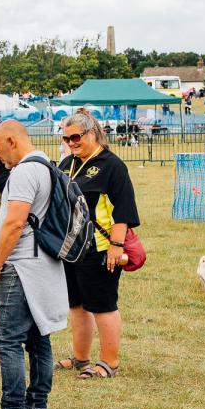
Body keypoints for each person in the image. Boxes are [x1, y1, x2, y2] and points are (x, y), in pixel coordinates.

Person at [0, 120, 67, 409]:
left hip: (21, 264)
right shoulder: (46, 166)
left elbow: (14, 223)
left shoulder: (25, 172)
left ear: (11, 140)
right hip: (43, 263)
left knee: (8, 339)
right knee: (39, 337)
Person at [54, 111, 139, 379]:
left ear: (92, 133)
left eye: (76, 137)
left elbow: (123, 210)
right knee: (77, 305)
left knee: (102, 305)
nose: (71, 143)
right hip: (71, 248)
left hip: (101, 247)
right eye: (67, 138)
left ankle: (108, 363)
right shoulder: (67, 163)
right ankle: (80, 358)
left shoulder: (112, 165)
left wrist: (116, 244)